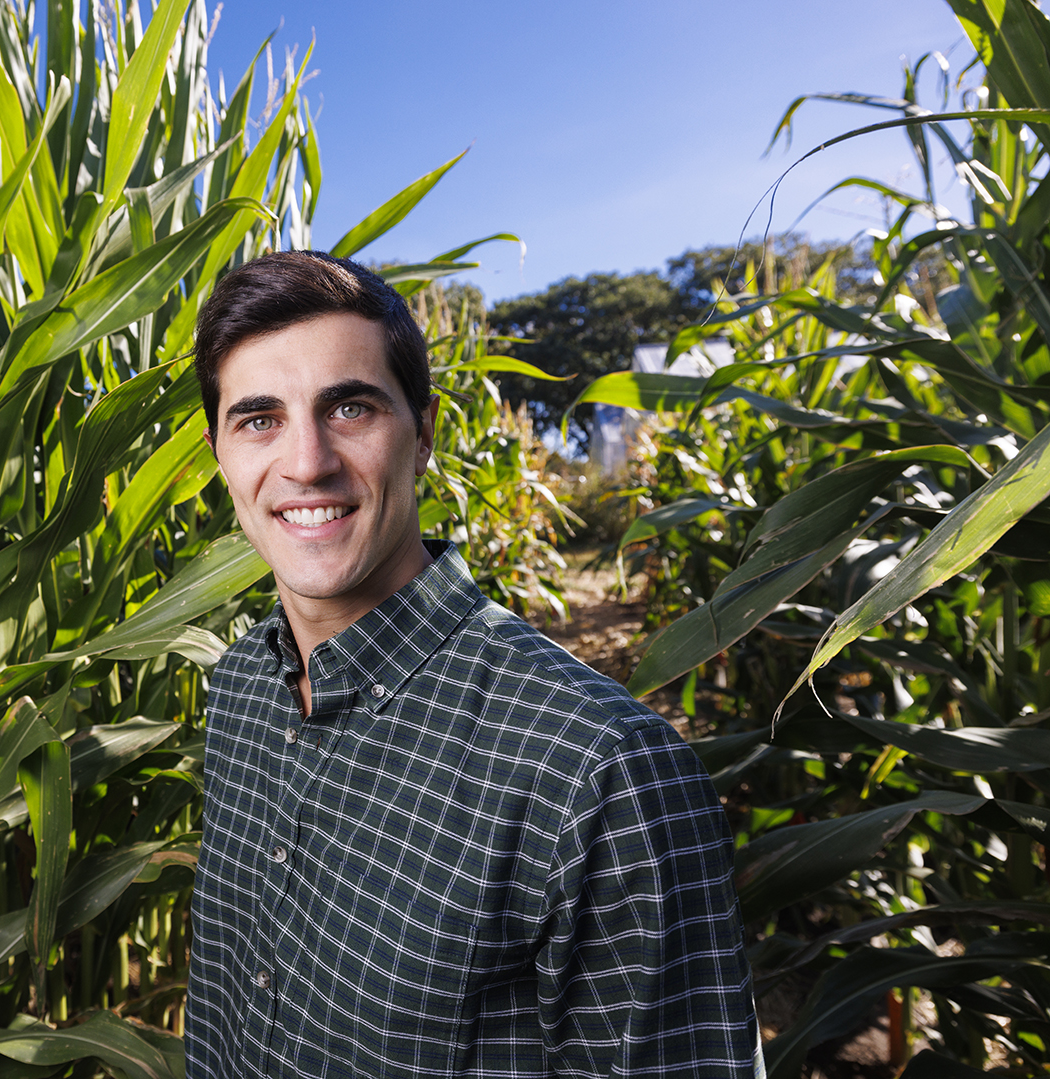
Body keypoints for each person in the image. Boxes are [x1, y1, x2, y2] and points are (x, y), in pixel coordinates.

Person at [183, 250, 760, 1077]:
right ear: (219, 454)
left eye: (348, 408)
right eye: (259, 419)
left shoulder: (602, 774)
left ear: (421, 434)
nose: (305, 461)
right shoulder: (240, 688)